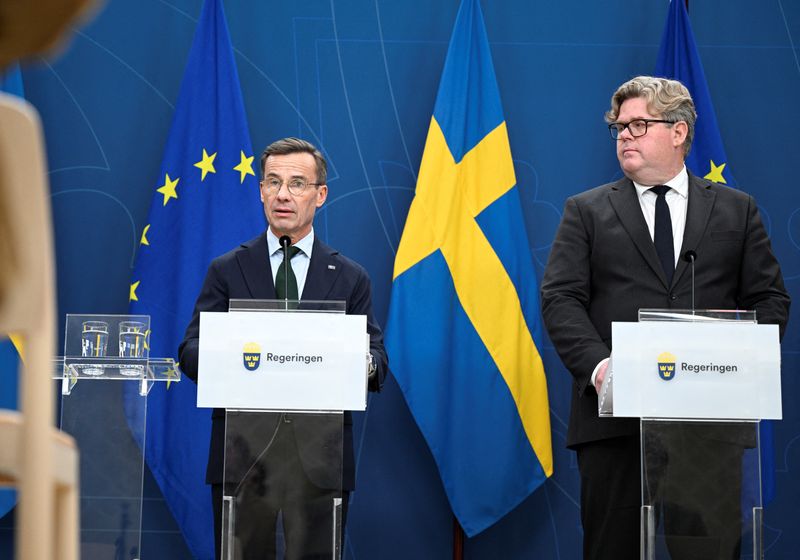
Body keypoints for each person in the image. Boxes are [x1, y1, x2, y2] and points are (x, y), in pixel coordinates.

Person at [541, 76, 789, 559]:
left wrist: (732, 365)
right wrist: (601, 369)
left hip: (707, 429)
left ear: (678, 132)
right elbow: (560, 299)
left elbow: (770, 302)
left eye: (638, 124)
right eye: (618, 128)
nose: (625, 136)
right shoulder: (586, 211)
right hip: (614, 426)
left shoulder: (736, 211)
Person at [178, 137, 388, 559]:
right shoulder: (227, 269)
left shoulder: (350, 277)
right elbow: (189, 351)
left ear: (320, 195)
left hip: (319, 461)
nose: (283, 195)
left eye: (297, 183)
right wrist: (232, 355)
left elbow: (377, 362)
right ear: (260, 192)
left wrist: (350, 359)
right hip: (243, 460)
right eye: (273, 183)